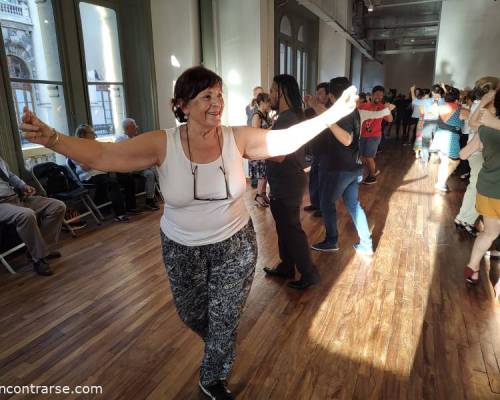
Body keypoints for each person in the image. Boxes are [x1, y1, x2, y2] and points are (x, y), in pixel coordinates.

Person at [20, 65, 358, 399]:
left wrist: (328, 116)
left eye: (219, 95)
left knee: (224, 318)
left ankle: (213, 378)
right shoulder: (162, 143)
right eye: (206, 96)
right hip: (181, 247)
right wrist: (53, 139)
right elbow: (104, 155)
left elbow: (283, 139)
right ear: (182, 104)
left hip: (235, 245)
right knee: (191, 313)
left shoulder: (234, 137)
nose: (217, 103)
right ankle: (220, 344)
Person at [309, 77, 393, 255]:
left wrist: (327, 119)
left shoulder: (342, 113)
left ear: (332, 96)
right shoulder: (353, 110)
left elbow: (346, 139)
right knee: (353, 205)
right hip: (352, 168)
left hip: (340, 169)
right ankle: (365, 244)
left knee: (326, 203)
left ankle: (332, 240)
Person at [263, 74, 321, 290]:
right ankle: (287, 265)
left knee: (291, 229)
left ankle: (309, 273)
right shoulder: (291, 116)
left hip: (287, 182)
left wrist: (253, 148)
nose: (270, 94)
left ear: (281, 91)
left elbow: (278, 154)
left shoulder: (288, 119)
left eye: (272, 89)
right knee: (284, 226)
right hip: (286, 181)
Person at [461, 88, 500, 302]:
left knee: (489, 232)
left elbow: (473, 123)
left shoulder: (486, 127)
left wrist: (484, 101)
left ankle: (472, 267)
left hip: (487, 188)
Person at [0, 156, 65, 276]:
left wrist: (23, 186)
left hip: (15, 198)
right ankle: (39, 258)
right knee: (27, 214)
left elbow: (9, 175)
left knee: (58, 206)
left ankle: (43, 248)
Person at [455, 77, 499, 236]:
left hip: (478, 150)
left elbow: (473, 124)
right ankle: (466, 219)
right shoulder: (488, 108)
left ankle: (463, 218)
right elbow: (475, 125)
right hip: (480, 150)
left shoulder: (482, 106)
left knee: (474, 186)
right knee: (477, 187)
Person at [74, 124, 139, 222]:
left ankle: (131, 207)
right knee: (113, 183)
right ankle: (120, 214)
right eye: (91, 133)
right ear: (83, 135)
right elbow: (86, 168)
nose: (94, 135)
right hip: (90, 176)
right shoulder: (75, 150)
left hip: (103, 171)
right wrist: (98, 156)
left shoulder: (94, 145)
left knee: (127, 178)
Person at [116, 118, 160, 210]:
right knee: (152, 170)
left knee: (152, 171)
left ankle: (150, 199)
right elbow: (126, 156)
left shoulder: (135, 138)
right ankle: (161, 193)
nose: (136, 129)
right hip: (128, 168)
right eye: (134, 127)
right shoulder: (121, 139)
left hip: (138, 166)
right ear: (128, 128)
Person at [432, 86, 468, 192]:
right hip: (450, 138)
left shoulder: (443, 105)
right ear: (457, 98)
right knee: (454, 161)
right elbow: (473, 115)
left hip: (440, 135)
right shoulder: (459, 109)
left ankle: (440, 183)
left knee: (445, 161)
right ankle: (441, 183)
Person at [303, 82, 331, 216]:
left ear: (328, 95)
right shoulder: (314, 109)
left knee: (323, 181)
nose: (317, 96)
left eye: (320, 93)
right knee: (314, 177)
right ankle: (315, 204)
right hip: (316, 150)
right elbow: (305, 115)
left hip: (327, 151)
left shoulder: (330, 110)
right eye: (317, 93)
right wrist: (307, 104)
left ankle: (322, 208)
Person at [358, 85, 393, 184]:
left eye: (381, 96)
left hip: (374, 136)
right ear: (372, 94)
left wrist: (387, 109)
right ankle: (374, 170)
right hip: (362, 135)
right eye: (377, 94)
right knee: (362, 157)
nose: (379, 97)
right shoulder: (364, 106)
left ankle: (372, 176)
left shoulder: (382, 107)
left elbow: (390, 119)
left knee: (369, 157)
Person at [410, 84, 446, 164]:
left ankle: (425, 160)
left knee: (425, 142)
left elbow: (414, 101)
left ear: (432, 92)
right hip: (438, 122)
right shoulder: (442, 100)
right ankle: (438, 158)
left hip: (428, 122)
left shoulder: (427, 101)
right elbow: (448, 98)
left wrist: (412, 90)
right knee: (438, 140)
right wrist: (444, 88)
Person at [249, 93, 272, 207]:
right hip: (258, 150)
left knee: (266, 174)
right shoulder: (256, 116)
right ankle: (258, 196)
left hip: (265, 149)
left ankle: (263, 194)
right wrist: (272, 127)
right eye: (268, 101)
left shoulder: (266, 115)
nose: (270, 104)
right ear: (261, 103)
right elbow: (255, 134)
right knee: (262, 175)